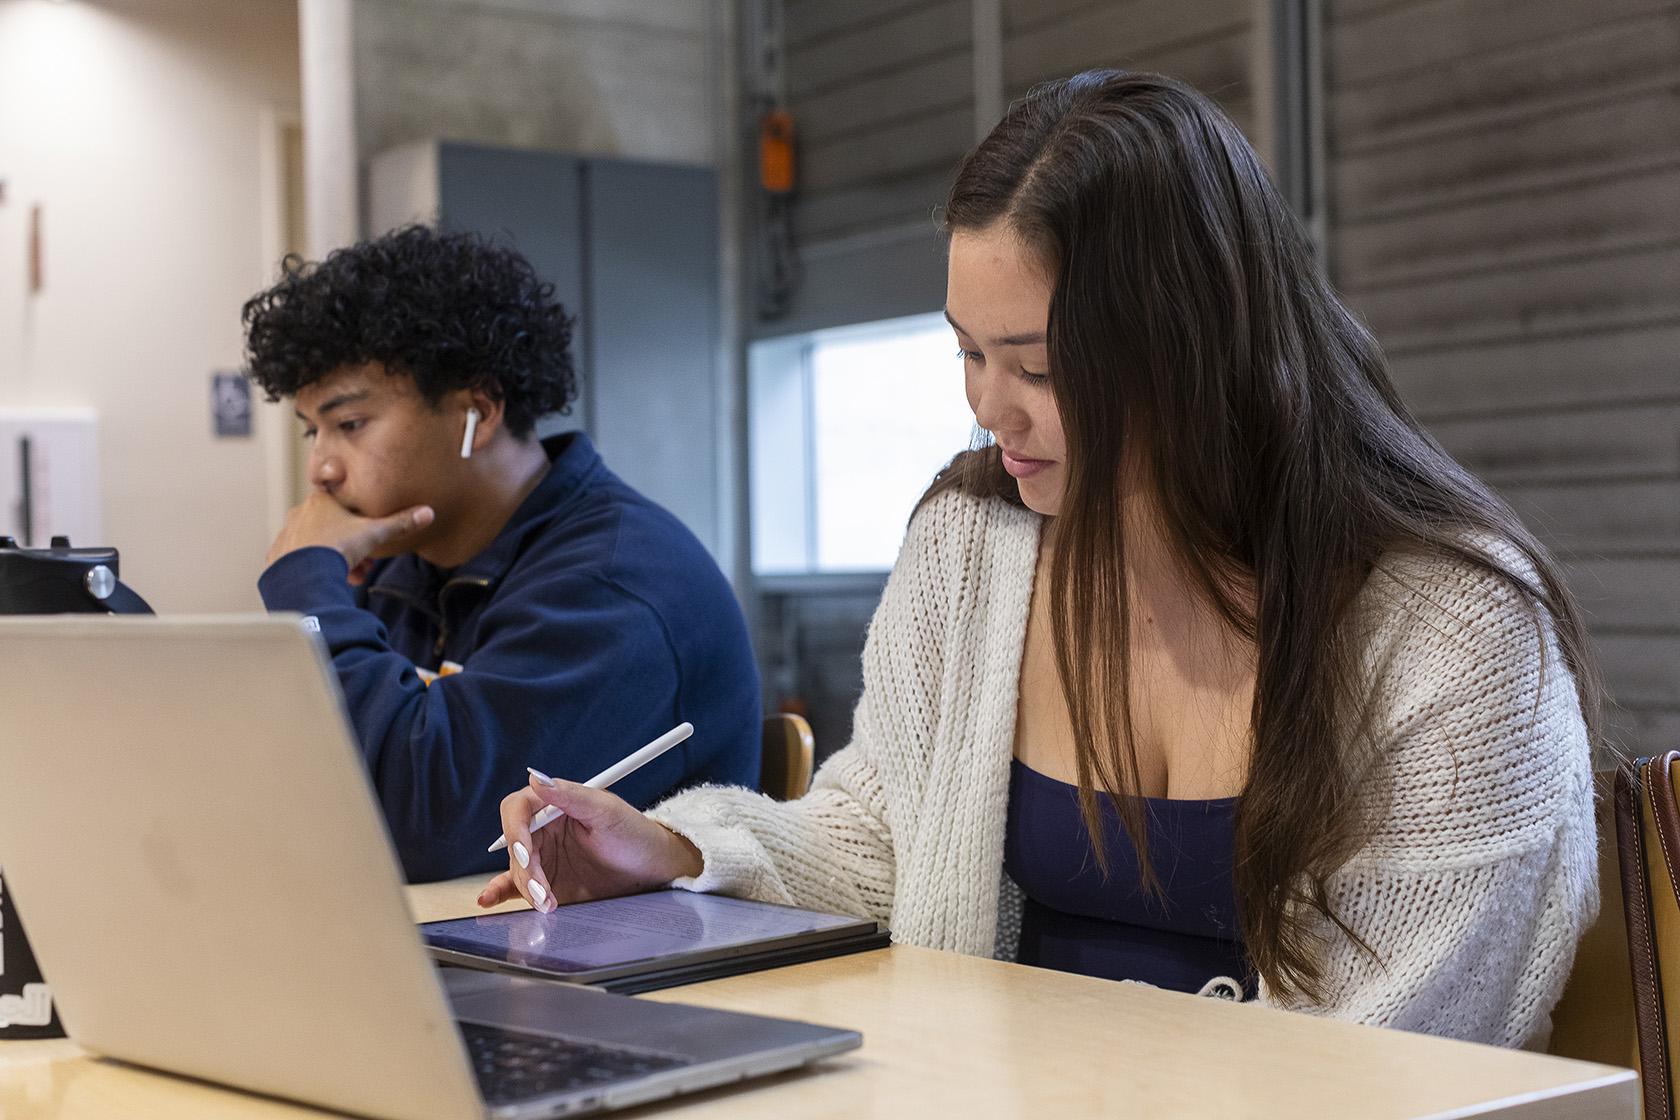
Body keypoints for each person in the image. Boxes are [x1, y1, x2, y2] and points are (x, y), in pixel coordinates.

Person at [478, 71, 1602, 1046]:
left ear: (1197, 349)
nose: (988, 411)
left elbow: (1397, 1045)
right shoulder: (974, 543)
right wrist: (672, 848)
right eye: (968, 353)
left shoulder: (1453, 629)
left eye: (1040, 368)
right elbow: (883, 835)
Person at [244, 225, 762, 883]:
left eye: (349, 426)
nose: (321, 468)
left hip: (622, 976)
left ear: (478, 414)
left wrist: (307, 585)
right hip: (476, 957)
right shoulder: (407, 569)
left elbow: (423, 829)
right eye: (312, 432)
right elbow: (289, 794)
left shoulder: (618, 582)